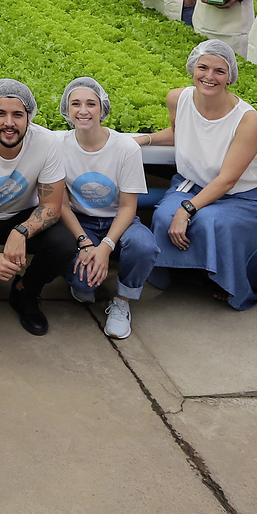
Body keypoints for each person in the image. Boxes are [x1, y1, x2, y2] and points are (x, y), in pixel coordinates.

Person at [136, 39, 257, 310]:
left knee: (211, 220)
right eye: (203, 67)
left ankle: (229, 282)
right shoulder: (178, 98)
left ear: (230, 77)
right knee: (164, 216)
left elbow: (228, 179)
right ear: (192, 68)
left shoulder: (247, 119)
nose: (209, 77)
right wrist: (144, 140)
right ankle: (188, 273)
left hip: (241, 196)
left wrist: (186, 209)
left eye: (219, 71)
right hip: (192, 184)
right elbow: (179, 132)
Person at [0, 78, 77, 336]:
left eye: (18, 114)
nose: (9, 123)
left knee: (64, 245)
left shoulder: (47, 143)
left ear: (29, 117)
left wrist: (21, 232)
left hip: (24, 214)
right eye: (1, 114)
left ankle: (26, 289)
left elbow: (51, 205)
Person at [56, 77, 154, 339]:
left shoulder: (125, 148)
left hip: (118, 220)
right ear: (67, 109)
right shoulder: (59, 147)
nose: (83, 110)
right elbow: (61, 203)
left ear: (102, 108)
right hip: (80, 220)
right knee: (82, 283)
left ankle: (122, 300)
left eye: (91, 103)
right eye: (75, 104)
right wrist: (85, 243)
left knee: (144, 246)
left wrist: (106, 246)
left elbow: (128, 207)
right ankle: (82, 278)